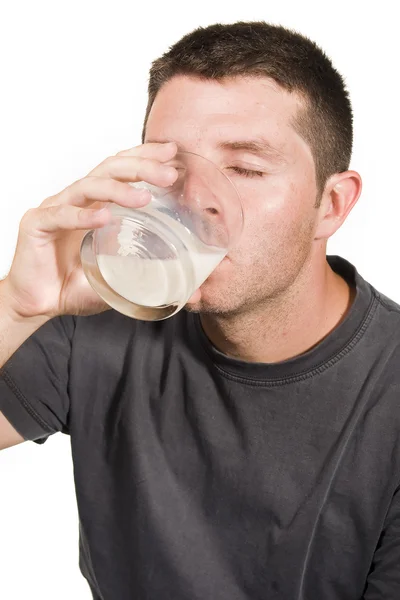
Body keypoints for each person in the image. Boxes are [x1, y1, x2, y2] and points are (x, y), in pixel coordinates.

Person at [0, 19, 398, 600]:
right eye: (174, 168)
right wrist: (18, 302)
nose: (198, 199)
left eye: (245, 169)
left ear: (331, 205)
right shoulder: (101, 325)